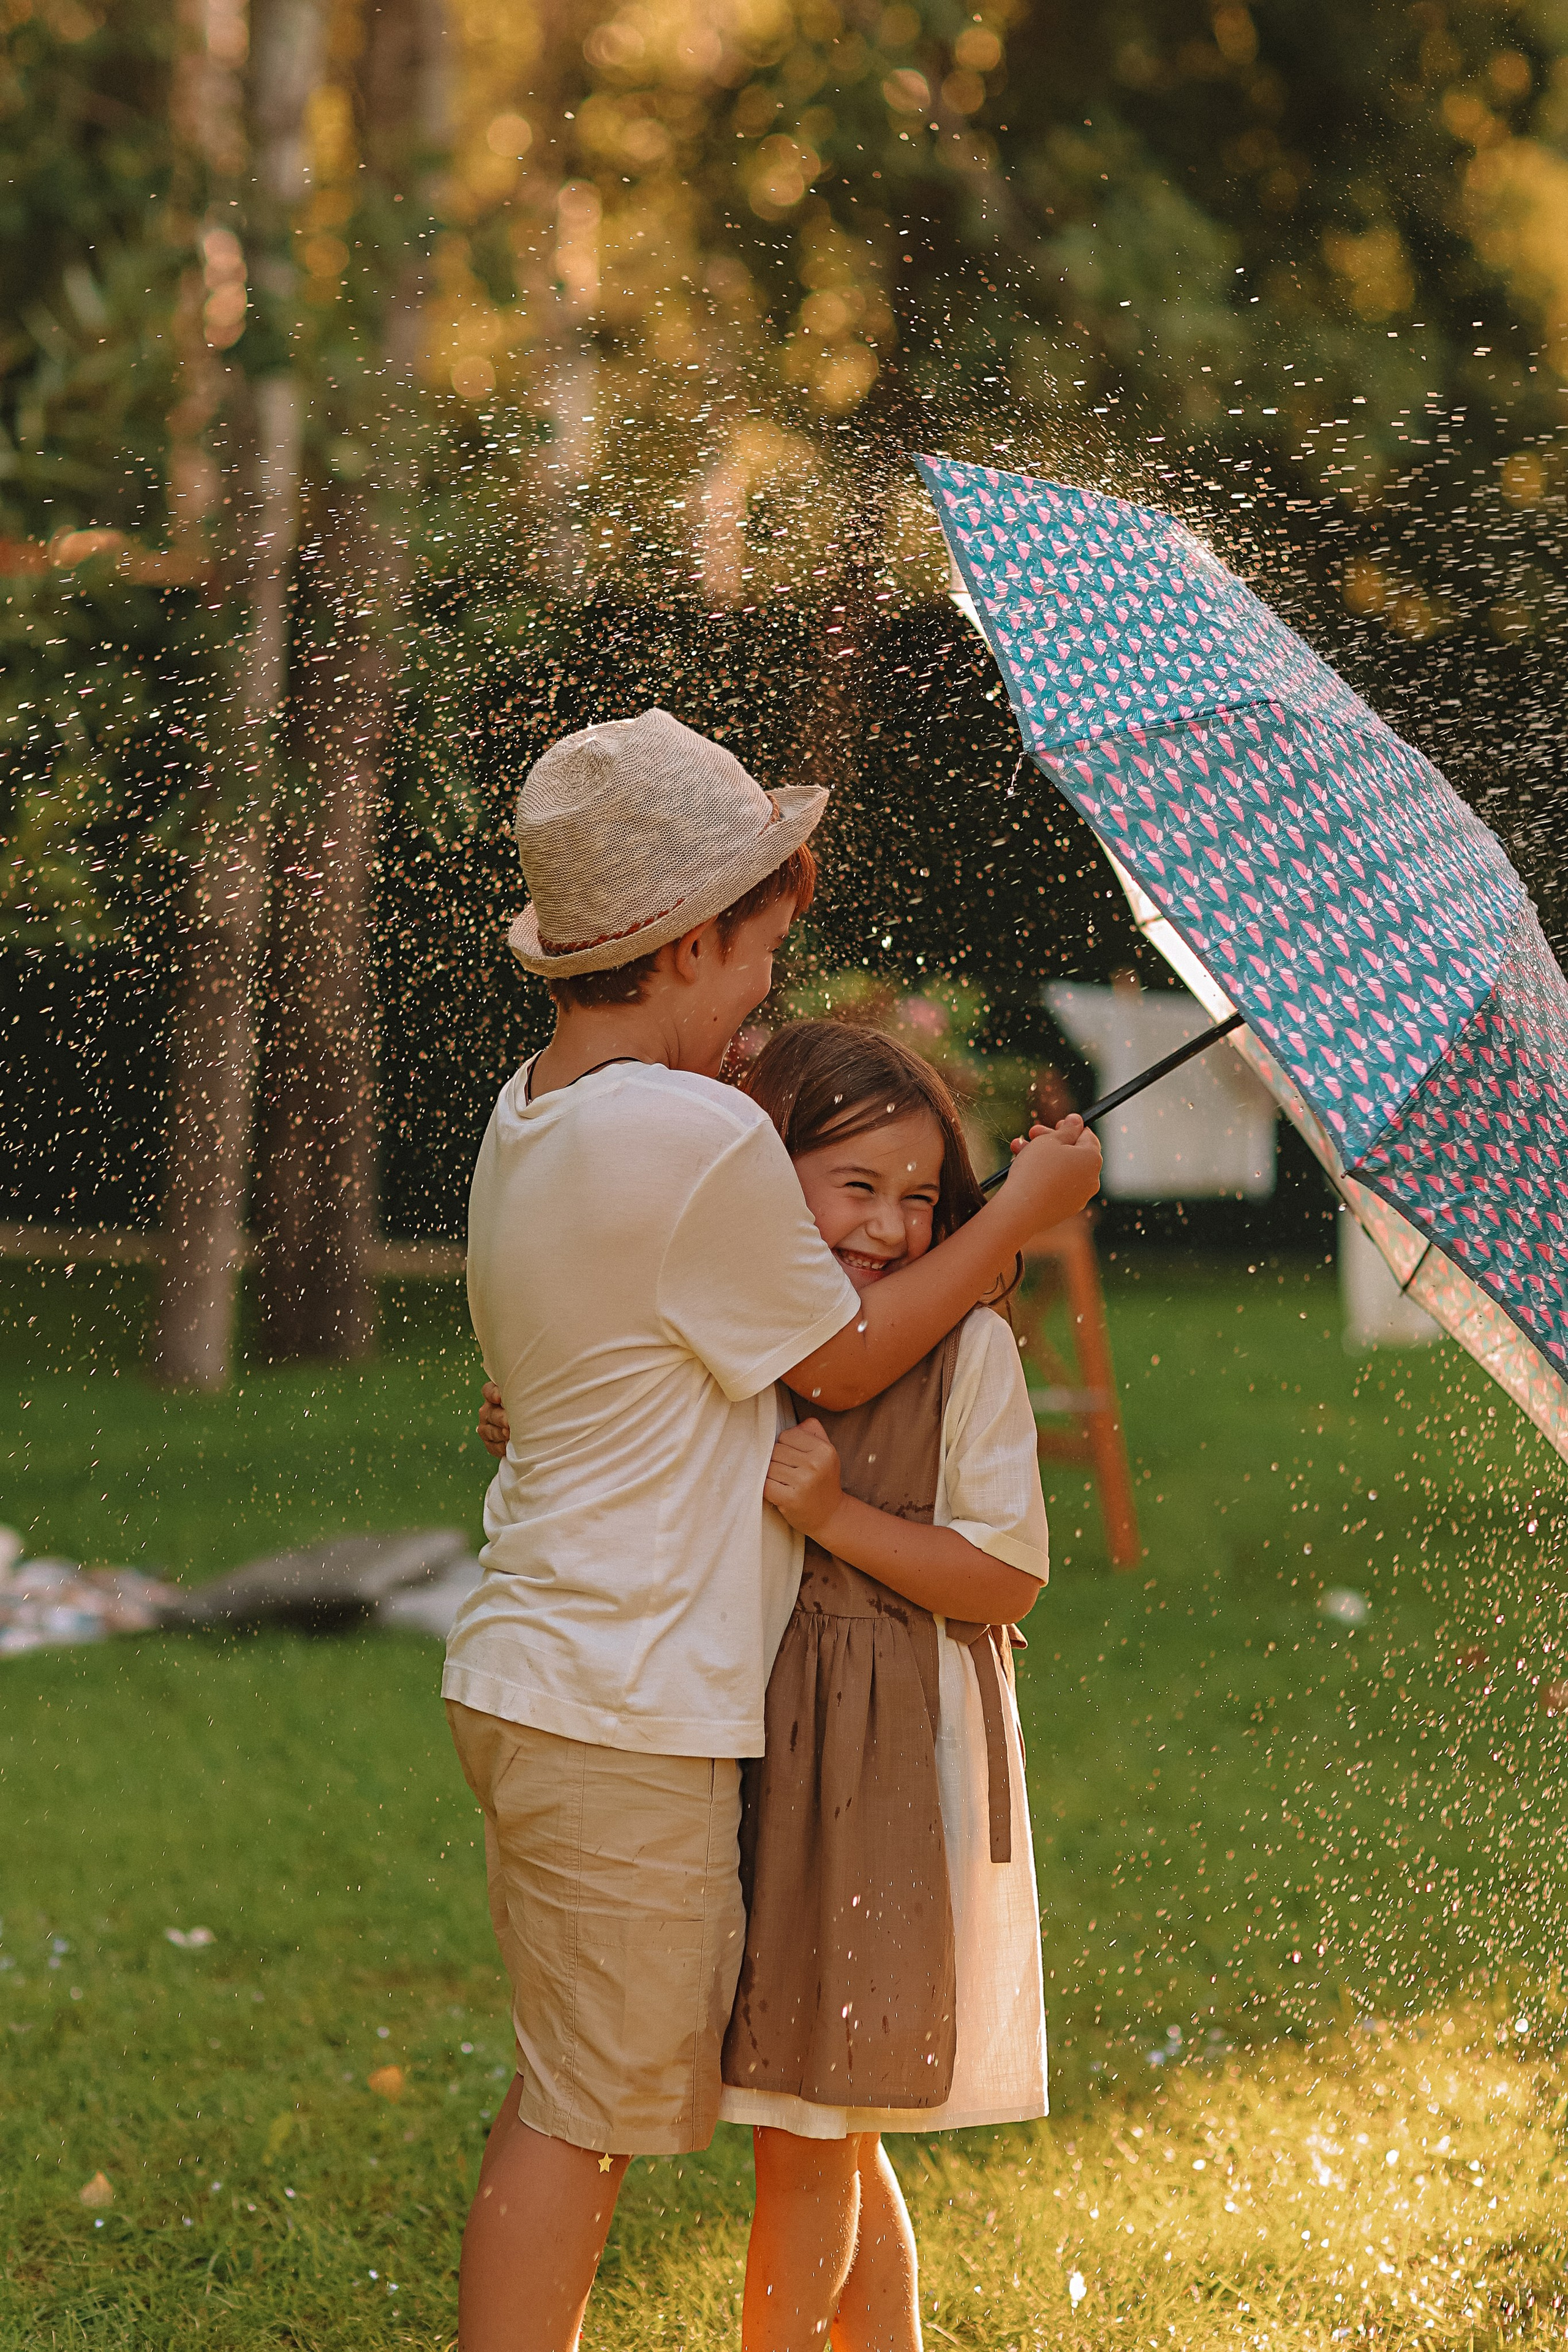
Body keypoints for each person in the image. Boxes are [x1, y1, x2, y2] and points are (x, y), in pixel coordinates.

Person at [448, 706, 1101, 2352]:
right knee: (586, 2112)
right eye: (758, 954)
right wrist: (1010, 1219)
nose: (765, 1002)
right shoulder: (688, 1136)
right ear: (685, 946)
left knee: (638, 2093)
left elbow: (604, 1361)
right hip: (616, 1697)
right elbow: (852, 1351)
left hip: (557, 1669)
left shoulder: (539, 1109)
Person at [721, 1020, 1051, 2352]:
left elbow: (1005, 1580)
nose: (893, 1227)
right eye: (857, 1187)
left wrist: (838, 1519)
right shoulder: (741, 1326)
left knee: (812, 2134)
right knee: (827, 2124)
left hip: (885, 1769)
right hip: (759, 1742)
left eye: (921, 1198)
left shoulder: (966, 1354)